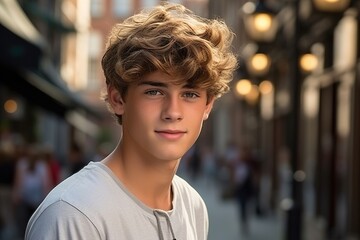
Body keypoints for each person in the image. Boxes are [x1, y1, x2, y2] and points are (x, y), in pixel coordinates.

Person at [25, 3, 237, 240]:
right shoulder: (74, 215)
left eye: (190, 94)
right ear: (118, 99)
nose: (173, 112)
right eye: (154, 92)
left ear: (207, 105)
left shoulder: (193, 206)